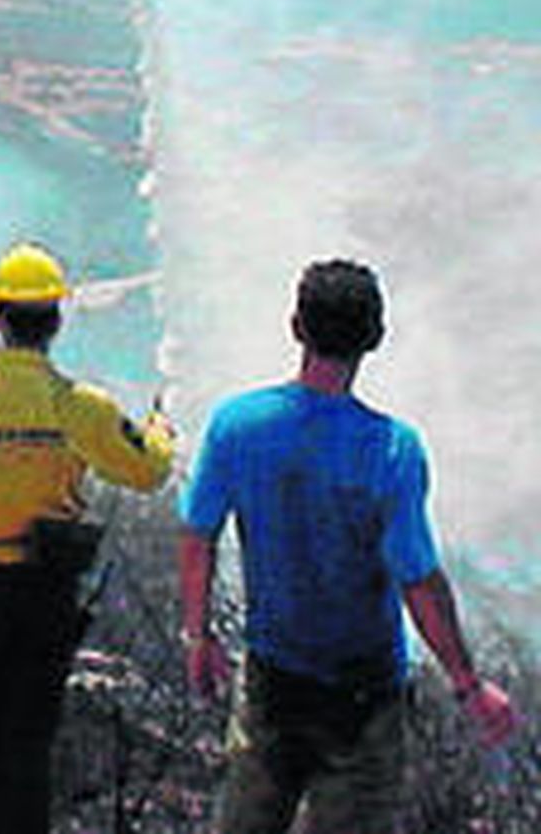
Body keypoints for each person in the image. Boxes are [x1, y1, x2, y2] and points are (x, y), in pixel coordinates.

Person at [179, 258, 519, 834]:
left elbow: (198, 535)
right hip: (365, 696)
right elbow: (417, 578)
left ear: (296, 326)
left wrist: (199, 634)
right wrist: (468, 685)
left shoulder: (236, 426)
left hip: (272, 680)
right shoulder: (392, 449)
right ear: (374, 338)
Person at [0, 241, 177, 834]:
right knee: (27, 745)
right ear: (55, 322)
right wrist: (160, 427)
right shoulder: (82, 406)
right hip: (44, 593)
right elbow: (149, 470)